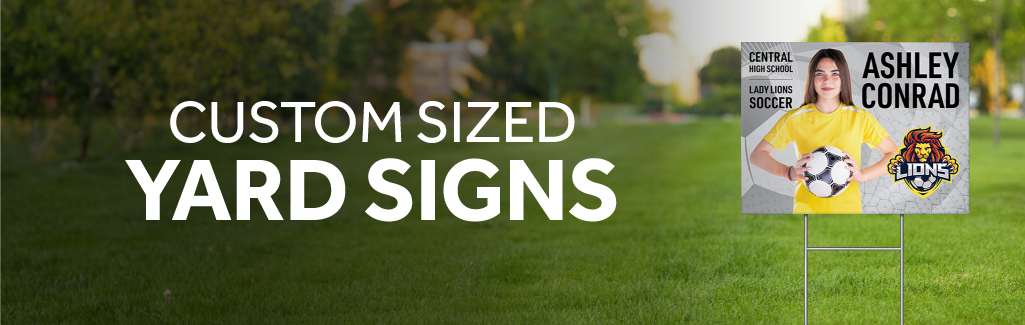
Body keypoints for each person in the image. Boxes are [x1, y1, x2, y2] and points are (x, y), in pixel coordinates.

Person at [749, 48, 900, 214]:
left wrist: (862, 175)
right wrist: (789, 172)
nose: (827, 80)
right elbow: (757, 155)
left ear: (844, 78)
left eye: (835, 74)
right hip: (805, 210)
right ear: (812, 79)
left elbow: (894, 154)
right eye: (820, 74)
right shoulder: (795, 118)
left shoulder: (860, 118)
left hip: (849, 211)